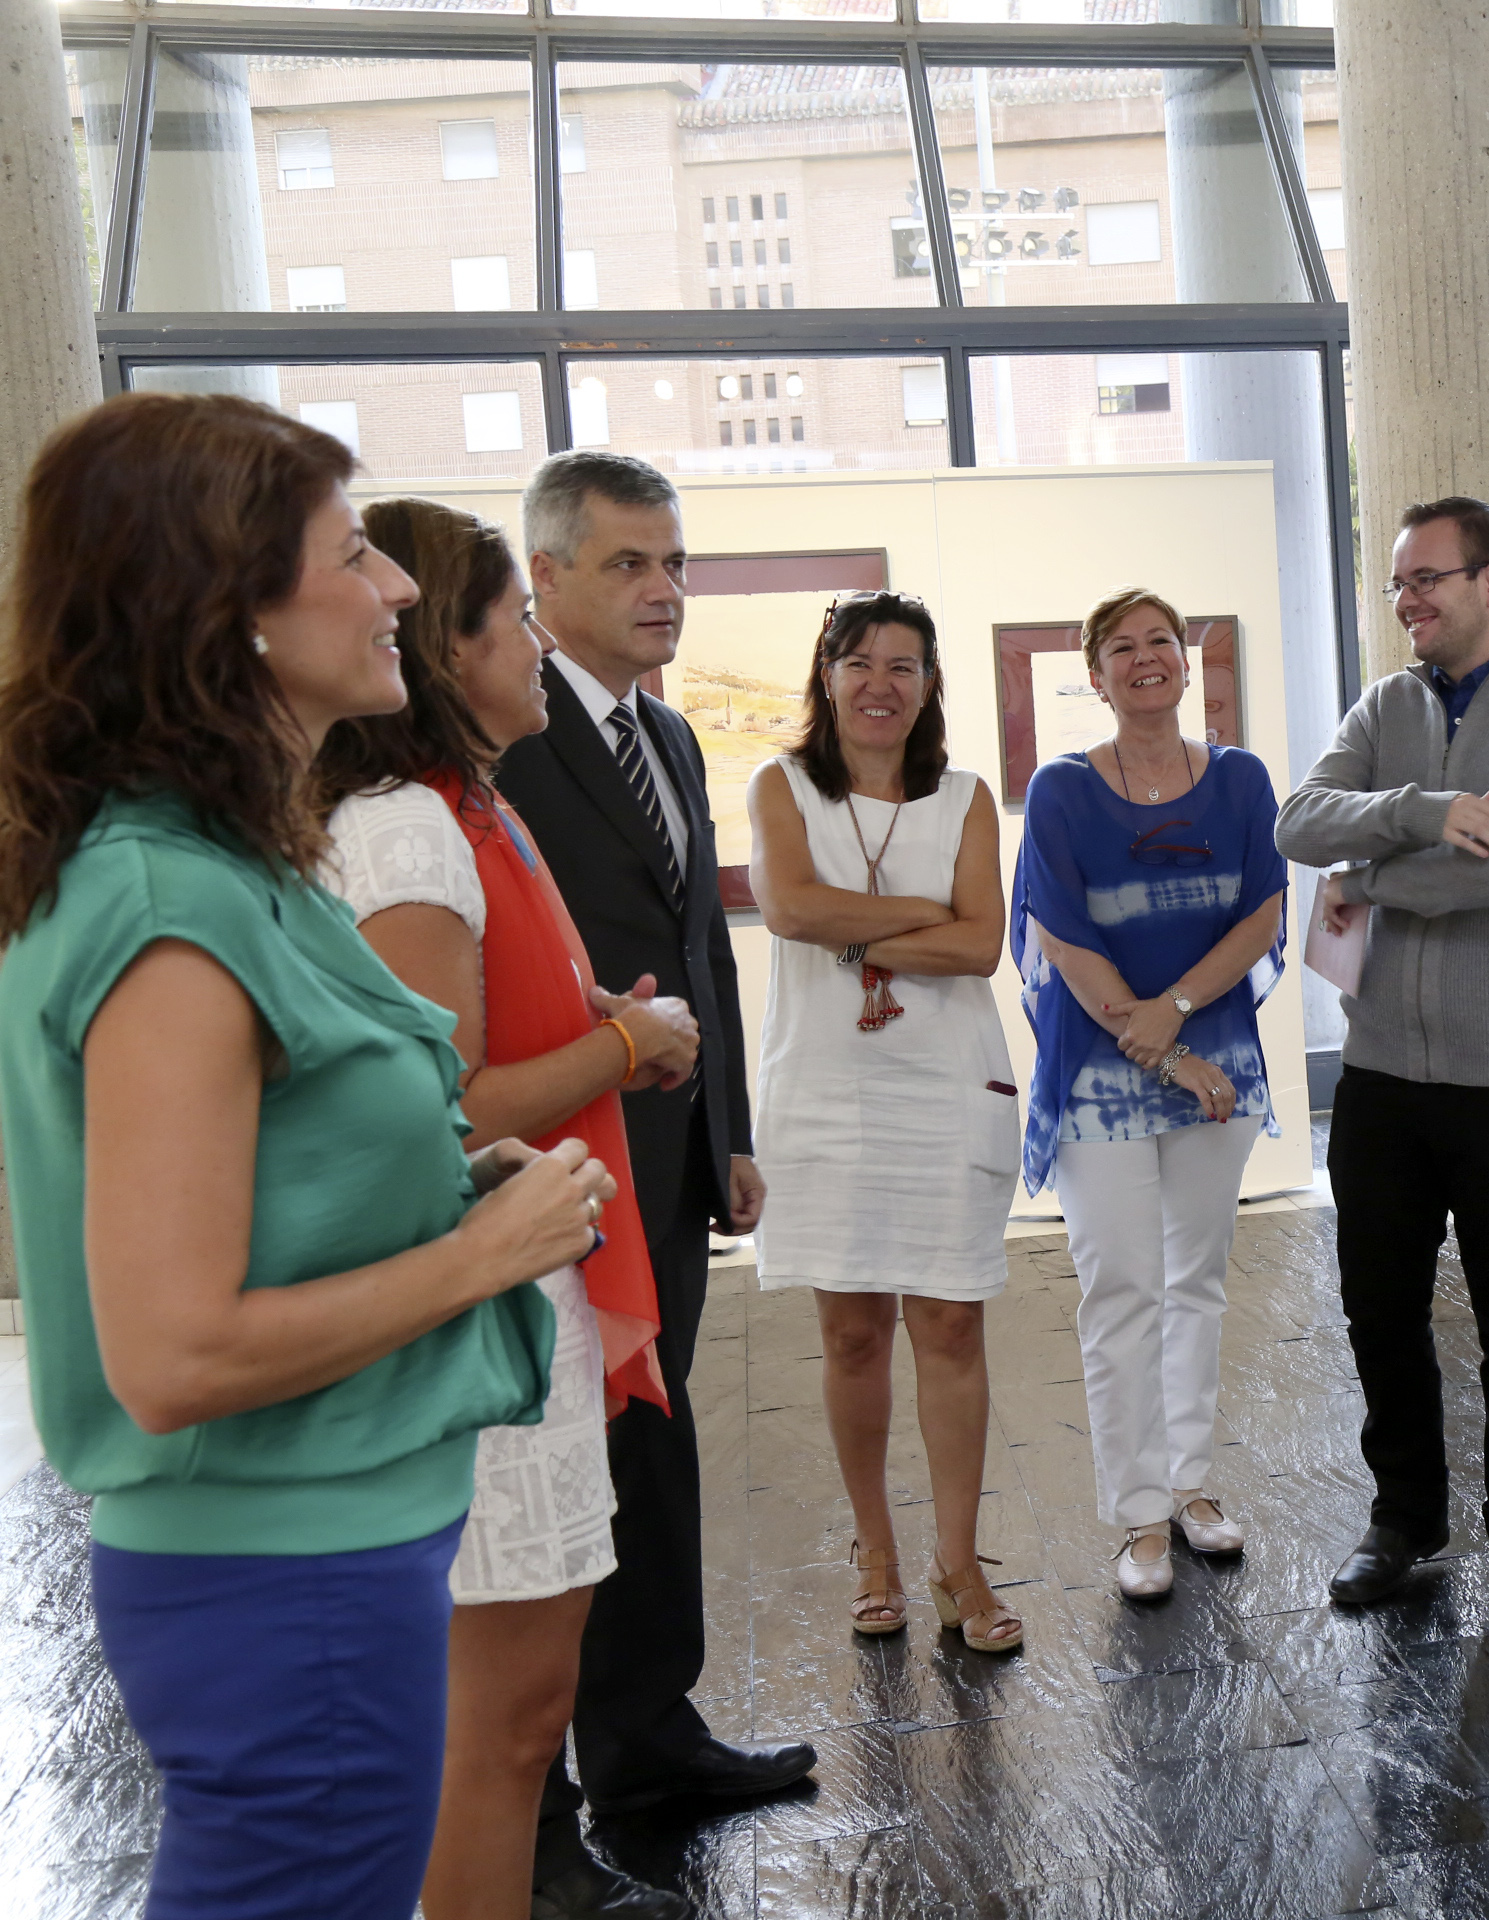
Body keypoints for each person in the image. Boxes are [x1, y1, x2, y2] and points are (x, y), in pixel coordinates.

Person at [0, 393, 616, 1919]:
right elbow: (175, 1352)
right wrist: (478, 1256)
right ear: (232, 615)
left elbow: (278, 1179)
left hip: (330, 1551)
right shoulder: (171, 906)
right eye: (353, 555)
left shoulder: (230, 866)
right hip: (286, 1575)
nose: (397, 583)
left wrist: (453, 1188)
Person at [311, 498, 705, 1920]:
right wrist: (625, 1045)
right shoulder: (411, 831)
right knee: (498, 1725)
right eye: (516, 622)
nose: (537, 646)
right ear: (449, 655)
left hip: (523, 1272)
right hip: (482, 1293)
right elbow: (451, 1106)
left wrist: (596, 1019)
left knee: (519, 1716)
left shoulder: (470, 809)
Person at [492, 452, 811, 1904]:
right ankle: (535, 1802)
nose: (665, 589)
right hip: (547, 1163)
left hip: (669, 1159)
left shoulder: (669, 736)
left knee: (652, 1442)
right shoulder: (506, 738)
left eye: (674, 561)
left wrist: (728, 1131)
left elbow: (700, 956)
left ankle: (646, 1737)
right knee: (558, 1471)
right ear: (545, 577)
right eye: (629, 563)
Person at [1272, 496, 1489, 1639]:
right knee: (1379, 1306)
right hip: (1383, 1071)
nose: (1406, 600)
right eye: (1398, 584)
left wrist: (1368, 879)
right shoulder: (1386, 706)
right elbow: (1299, 822)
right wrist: (1423, 810)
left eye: (1427, 578)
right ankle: (1405, 1518)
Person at [745, 591, 1025, 1652]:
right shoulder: (780, 787)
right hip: (825, 1091)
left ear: (929, 684)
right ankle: (876, 1549)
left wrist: (859, 933)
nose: (879, 685)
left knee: (950, 1325)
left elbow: (981, 946)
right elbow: (790, 909)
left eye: (903, 666)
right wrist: (923, 916)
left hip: (944, 1087)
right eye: (859, 663)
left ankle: (959, 1561)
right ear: (826, 677)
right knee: (852, 1332)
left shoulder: (965, 798)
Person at [1012, 587, 1286, 1600]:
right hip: (1101, 1074)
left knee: (1197, 1282)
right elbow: (1063, 938)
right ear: (1095, 676)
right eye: (1121, 648)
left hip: (1216, 1063)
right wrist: (1167, 1048)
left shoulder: (1242, 778)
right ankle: (1138, 1513)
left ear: (1186, 659)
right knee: (1123, 1289)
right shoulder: (1061, 790)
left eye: (1160, 641)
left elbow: (1262, 916)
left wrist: (1175, 1009)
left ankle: (1190, 1485)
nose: (1145, 659)